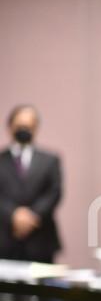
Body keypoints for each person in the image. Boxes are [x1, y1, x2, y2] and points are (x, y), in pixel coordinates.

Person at [0, 105, 63, 263]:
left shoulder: (50, 160)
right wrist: (13, 214)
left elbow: (54, 192)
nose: (24, 129)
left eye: (29, 126)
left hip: (41, 240)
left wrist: (32, 215)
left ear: (36, 128)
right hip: (5, 238)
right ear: (10, 126)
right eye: (20, 125)